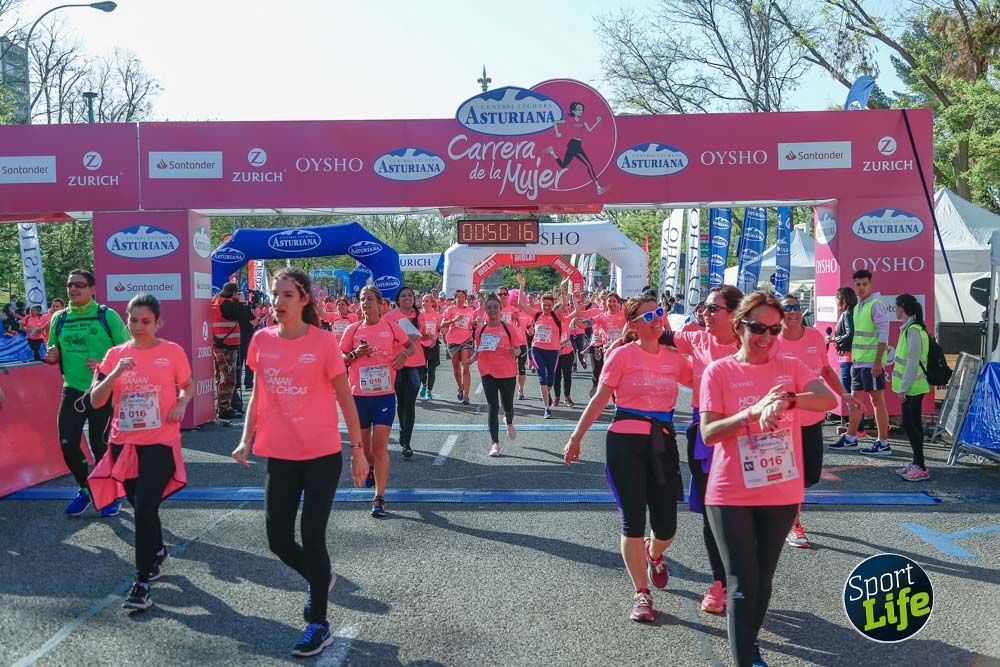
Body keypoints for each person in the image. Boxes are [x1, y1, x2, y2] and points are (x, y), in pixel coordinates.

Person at [232, 268, 366, 658]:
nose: (278, 301)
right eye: (276, 294)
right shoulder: (262, 340)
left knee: (312, 536)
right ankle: (320, 577)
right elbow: (258, 396)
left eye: (287, 295)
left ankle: (318, 625)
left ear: (304, 299)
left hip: (322, 455)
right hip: (281, 454)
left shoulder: (323, 342)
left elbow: (345, 397)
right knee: (278, 540)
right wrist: (245, 439)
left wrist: (358, 449)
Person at [700, 291, 837, 667]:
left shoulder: (789, 366)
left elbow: (826, 400)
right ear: (739, 325)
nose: (766, 337)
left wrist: (789, 400)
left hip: (780, 489)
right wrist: (751, 413)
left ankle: (750, 645)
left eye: (774, 330)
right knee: (741, 581)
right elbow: (709, 433)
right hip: (731, 493)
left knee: (762, 580)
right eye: (757, 328)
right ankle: (746, 659)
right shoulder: (719, 372)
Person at [563, 295, 693, 623]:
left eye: (659, 312)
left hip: (662, 444)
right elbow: (600, 398)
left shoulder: (675, 358)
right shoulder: (621, 355)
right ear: (633, 325)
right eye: (648, 316)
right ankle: (641, 592)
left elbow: (708, 381)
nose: (656, 319)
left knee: (666, 525)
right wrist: (576, 437)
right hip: (624, 443)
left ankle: (654, 552)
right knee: (632, 521)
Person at [86, 294, 193, 611]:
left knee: (145, 506)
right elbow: (95, 401)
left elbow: (188, 385)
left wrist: (182, 403)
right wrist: (115, 373)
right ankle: (157, 549)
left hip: (160, 440)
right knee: (139, 505)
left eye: (146, 321)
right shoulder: (115, 354)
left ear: (158, 322)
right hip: (125, 442)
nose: (138, 327)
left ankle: (142, 582)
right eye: (133, 320)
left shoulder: (172, 352)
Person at [655, 284, 742, 614]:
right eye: (705, 308)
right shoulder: (696, 338)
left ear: (734, 314)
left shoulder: (750, 343)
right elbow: (659, 336)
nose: (705, 313)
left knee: (743, 512)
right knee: (712, 510)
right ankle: (720, 583)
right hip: (703, 432)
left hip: (742, 431)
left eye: (713, 309)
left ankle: (743, 580)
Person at [44, 269, 131, 517]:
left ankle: (109, 492)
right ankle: (85, 488)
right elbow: (53, 354)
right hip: (72, 389)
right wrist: (51, 356)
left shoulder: (106, 315)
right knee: (67, 444)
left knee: (100, 445)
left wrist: (105, 364)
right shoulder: (59, 318)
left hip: (102, 388)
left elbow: (127, 352)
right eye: (70, 285)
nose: (73, 289)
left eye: (80, 285)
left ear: (93, 289)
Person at [776, 294, 858, 550]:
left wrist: (844, 394)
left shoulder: (813, 337)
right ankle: (793, 523)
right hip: (784, 421)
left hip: (812, 418)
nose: (792, 311)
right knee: (791, 475)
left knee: (810, 475)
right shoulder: (771, 340)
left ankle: (783, 512)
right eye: (787, 308)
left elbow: (825, 370)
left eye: (796, 307)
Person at [340, 286, 414, 517]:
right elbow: (340, 357)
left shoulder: (390, 327)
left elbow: (410, 345)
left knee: (380, 446)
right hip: (359, 397)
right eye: (362, 299)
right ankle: (371, 466)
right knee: (365, 448)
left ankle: (379, 498)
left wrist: (403, 356)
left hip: (383, 395)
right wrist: (355, 354)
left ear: (380, 303)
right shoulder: (352, 329)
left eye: (370, 299)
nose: (365, 303)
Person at [829, 270, 891, 454]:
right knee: (856, 401)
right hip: (858, 363)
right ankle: (850, 438)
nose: (861, 287)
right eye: (858, 284)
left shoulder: (876, 305)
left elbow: (884, 334)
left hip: (872, 363)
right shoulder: (858, 307)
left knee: (877, 401)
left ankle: (883, 443)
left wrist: (877, 362)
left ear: (870, 285)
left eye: (865, 284)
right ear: (854, 286)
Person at [469, 293, 526, 457]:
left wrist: (514, 351)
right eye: (489, 307)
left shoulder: (509, 328)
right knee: (492, 407)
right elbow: (479, 350)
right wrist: (470, 360)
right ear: (485, 310)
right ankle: (495, 444)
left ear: (501, 310)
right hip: (488, 372)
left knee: (508, 407)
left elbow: (519, 350)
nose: (492, 310)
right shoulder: (480, 331)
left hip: (507, 373)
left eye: (495, 307)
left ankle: (509, 422)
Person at [892, 294, 932, 482]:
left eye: (896, 307)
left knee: (910, 424)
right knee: (913, 424)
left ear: (902, 309)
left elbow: (912, 361)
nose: (895, 310)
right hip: (913, 386)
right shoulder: (911, 328)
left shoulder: (913, 330)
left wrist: (904, 388)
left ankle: (921, 466)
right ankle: (917, 462)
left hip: (913, 387)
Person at [385, 286, 426, 459]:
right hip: (398, 362)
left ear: (414, 299)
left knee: (410, 403)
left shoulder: (420, 316)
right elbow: (385, 339)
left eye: (410, 295)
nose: (407, 298)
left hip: (417, 364)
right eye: (403, 296)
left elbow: (426, 338)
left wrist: (426, 338)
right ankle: (403, 432)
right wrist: (403, 339)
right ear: (398, 300)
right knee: (401, 402)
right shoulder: (390, 317)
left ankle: (407, 443)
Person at [518, 282, 565, 419]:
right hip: (537, 349)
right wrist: (522, 286)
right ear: (541, 304)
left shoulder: (556, 315)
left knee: (550, 380)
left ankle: (547, 392)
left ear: (552, 305)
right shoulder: (536, 314)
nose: (547, 307)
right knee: (542, 378)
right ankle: (546, 408)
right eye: (544, 305)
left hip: (553, 351)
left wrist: (562, 288)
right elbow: (521, 303)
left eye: (549, 305)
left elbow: (564, 303)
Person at [543, 100, 609, 195]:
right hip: (574, 145)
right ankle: (598, 188)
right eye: (578, 109)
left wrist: (597, 122)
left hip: (577, 144)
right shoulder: (570, 120)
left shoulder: (583, 121)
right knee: (589, 165)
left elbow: (590, 130)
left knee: (563, 165)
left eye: (581, 109)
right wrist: (557, 133)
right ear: (573, 111)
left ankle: (552, 152)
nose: (580, 111)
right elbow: (555, 122)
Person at [210, 282, 243, 420]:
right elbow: (239, 316)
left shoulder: (216, 301)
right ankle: (225, 408)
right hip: (227, 345)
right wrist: (241, 303)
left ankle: (222, 406)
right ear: (234, 293)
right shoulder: (227, 304)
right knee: (229, 379)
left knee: (221, 378)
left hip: (219, 343)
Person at [827, 287, 858, 425]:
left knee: (850, 395)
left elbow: (850, 334)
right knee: (853, 394)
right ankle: (857, 427)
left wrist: (834, 339)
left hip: (848, 358)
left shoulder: (847, 313)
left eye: (836, 297)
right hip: (850, 357)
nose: (835, 301)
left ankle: (856, 428)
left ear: (842, 299)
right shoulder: (853, 312)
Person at [441, 289, 475, 405]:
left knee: (466, 367)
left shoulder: (470, 310)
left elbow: (471, 324)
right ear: (455, 298)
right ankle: (460, 387)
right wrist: (454, 320)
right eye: (458, 297)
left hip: (466, 341)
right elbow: (442, 324)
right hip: (453, 341)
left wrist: (474, 324)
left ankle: (466, 395)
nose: (460, 298)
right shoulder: (450, 309)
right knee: (456, 369)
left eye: (462, 297)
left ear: (465, 299)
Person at [418, 293, 443, 400]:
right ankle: (424, 385)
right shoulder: (418, 315)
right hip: (421, 346)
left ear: (432, 303)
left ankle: (429, 391)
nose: (424, 303)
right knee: (422, 369)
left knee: (431, 371)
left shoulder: (438, 316)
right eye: (423, 301)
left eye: (427, 301)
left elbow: (441, 329)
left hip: (433, 346)